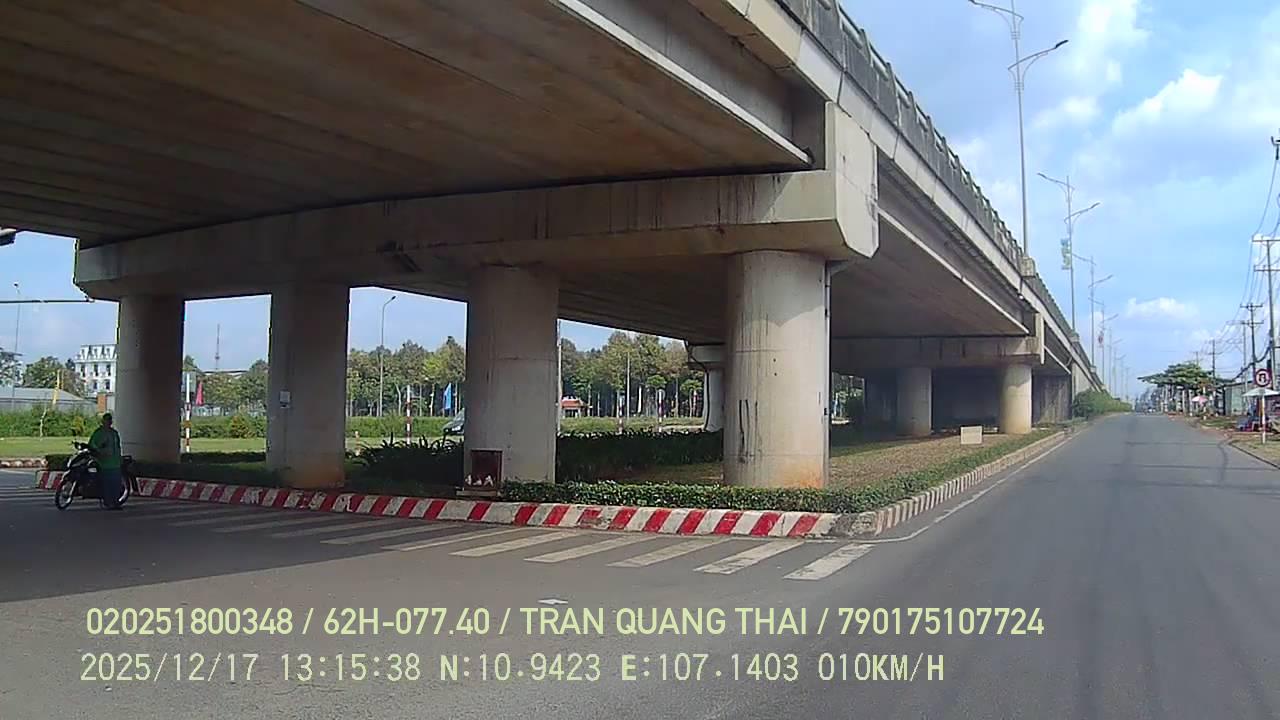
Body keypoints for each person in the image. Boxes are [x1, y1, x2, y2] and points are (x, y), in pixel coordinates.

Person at [88, 413, 124, 509]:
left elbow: (118, 447)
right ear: (103, 421)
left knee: (116, 484)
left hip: (115, 463)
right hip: (104, 464)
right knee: (107, 485)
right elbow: (92, 445)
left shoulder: (114, 433)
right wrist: (100, 452)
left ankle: (115, 502)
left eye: (109, 420)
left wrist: (120, 458)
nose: (108, 422)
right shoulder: (98, 433)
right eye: (106, 420)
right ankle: (108, 502)